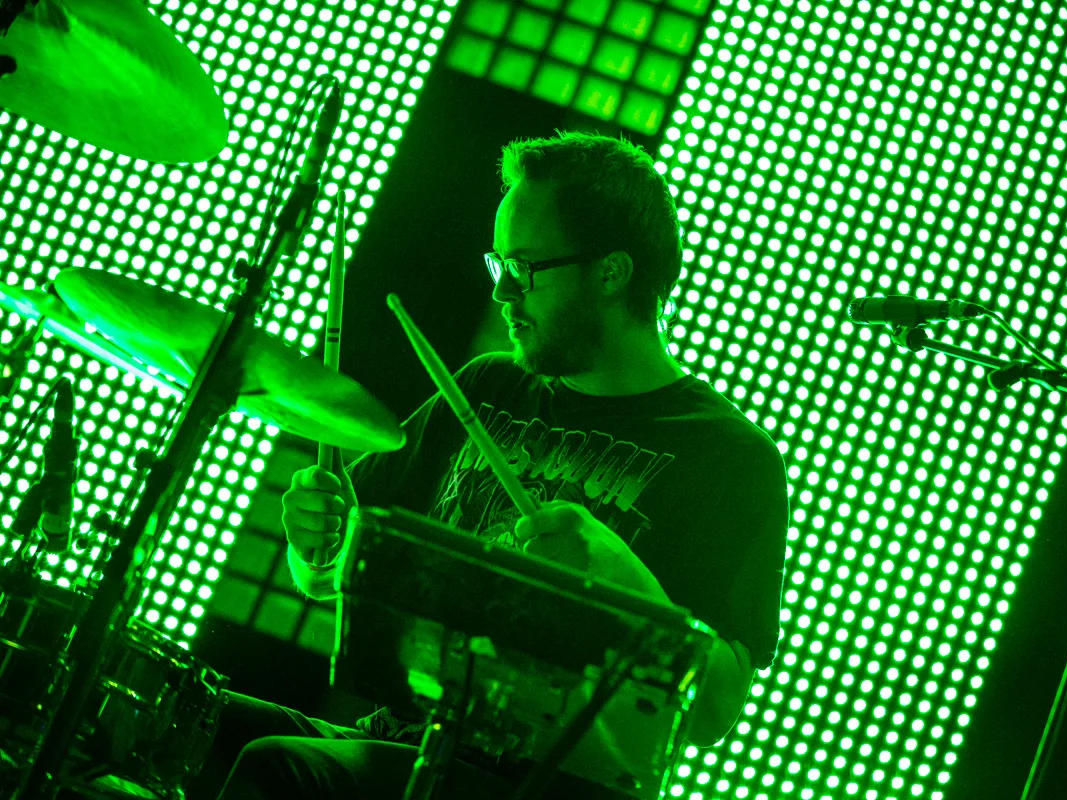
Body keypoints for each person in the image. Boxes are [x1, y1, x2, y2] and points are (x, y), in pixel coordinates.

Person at [192, 131, 790, 799]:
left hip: (539, 785)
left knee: (281, 771)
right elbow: (336, 574)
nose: (503, 292)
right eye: (497, 264)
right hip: (405, 739)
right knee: (197, 721)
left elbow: (714, 713)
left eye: (524, 269)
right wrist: (317, 548)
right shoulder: (486, 386)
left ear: (611, 273)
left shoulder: (729, 457)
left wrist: (620, 576)